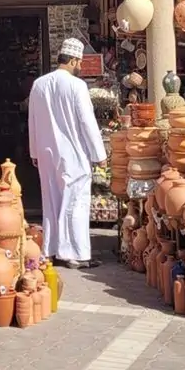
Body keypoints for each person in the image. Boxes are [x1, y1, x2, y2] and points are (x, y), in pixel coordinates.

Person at [27, 38, 107, 269]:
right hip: (73, 154)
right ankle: (75, 253)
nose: (80, 66)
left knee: (50, 199)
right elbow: (86, 121)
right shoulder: (76, 86)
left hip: (47, 152)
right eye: (79, 62)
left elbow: (32, 119)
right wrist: (98, 153)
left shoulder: (39, 84)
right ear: (73, 60)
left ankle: (51, 249)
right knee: (75, 202)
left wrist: (34, 150)